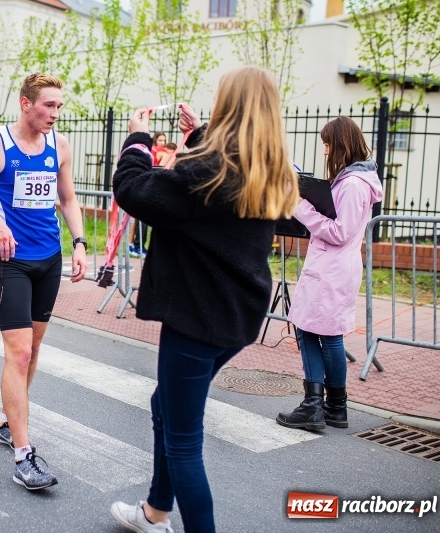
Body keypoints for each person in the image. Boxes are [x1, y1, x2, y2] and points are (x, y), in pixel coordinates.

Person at [108, 66, 299, 533]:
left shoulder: (208, 173)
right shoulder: (269, 171)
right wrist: (196, 137)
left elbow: (136, 190)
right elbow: (201, 196)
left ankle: (168, 519)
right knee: (165, 406)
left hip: (196, 316)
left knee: (184, 443)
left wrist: (136, 141)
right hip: (235, 316)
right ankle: (154, 511)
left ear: (229, 106)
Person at [0, 72, 88, 491]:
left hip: (49, 260)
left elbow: (67, 198)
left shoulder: (59, 146)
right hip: (11, 263)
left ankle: (6, 421)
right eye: (48, 105)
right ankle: (23, 456)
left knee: (36, 346)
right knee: (21, 353)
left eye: (59, 106)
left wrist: (80, 242)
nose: (54, 113)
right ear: (26, 104)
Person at [277, 116, 384, 432]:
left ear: (339, 145)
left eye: (327, 144)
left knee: (312, 330)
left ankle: (315, 406)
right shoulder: (353, 181)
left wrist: (301, 207)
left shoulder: (352, 184)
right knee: (323, 332)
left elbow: (339, 231)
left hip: (332, 270)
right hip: (333, 269)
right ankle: (334, 407)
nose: (324, 151)